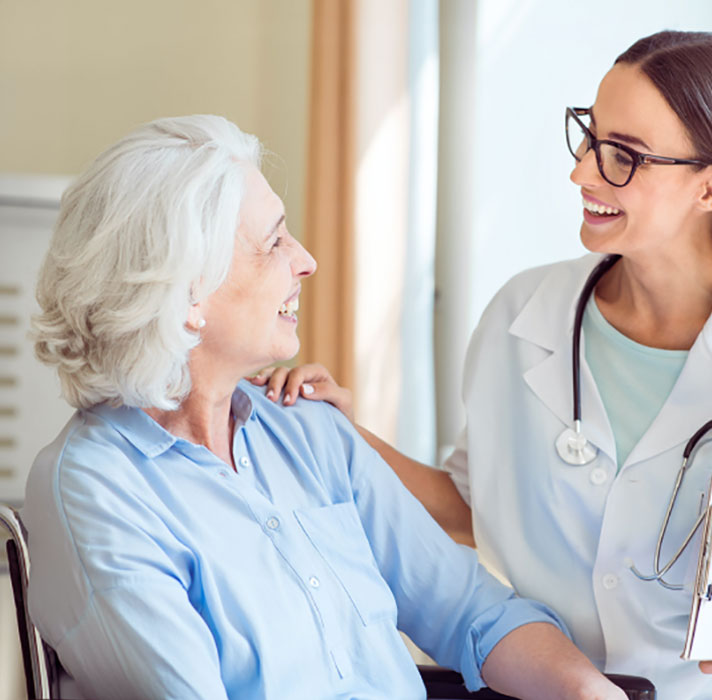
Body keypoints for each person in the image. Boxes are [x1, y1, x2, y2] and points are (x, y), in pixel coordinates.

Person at [263, 31, 712, 699]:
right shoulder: (522, 315)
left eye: (624, 157)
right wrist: (343, 436)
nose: (583, 173)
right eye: (590, 137)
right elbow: (473, 506)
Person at [22, 115, 627, 699]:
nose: (305, 260)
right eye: (273, 242)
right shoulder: (95, 485)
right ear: (187, 294)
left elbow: (472, 612)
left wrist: (584, 690)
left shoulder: (308, 429)